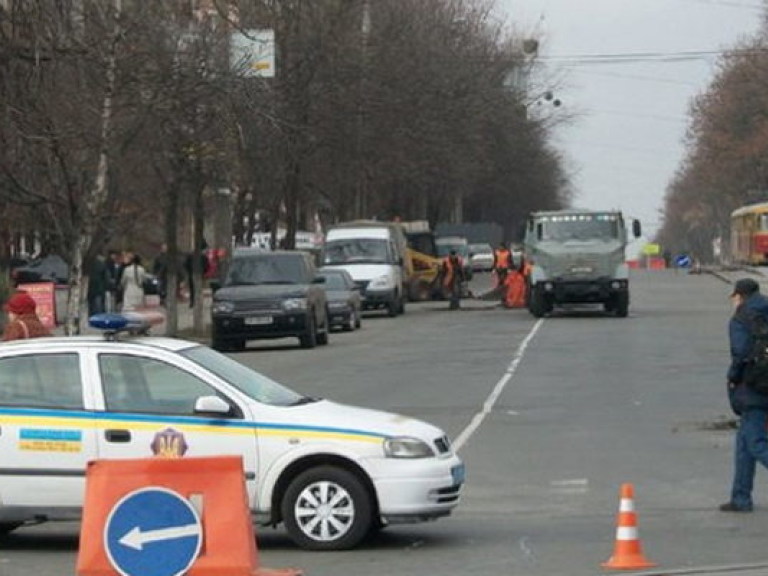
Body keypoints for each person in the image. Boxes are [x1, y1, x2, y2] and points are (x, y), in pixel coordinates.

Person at [721, 277, 768, 512]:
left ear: (739, 296)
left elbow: (740, 353)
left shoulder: (741, 318)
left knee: (756, 442)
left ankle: (741, 498)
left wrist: (732, 378)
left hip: (753, 385)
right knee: (744, 443)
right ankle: (740, 497)